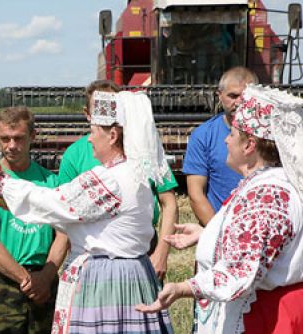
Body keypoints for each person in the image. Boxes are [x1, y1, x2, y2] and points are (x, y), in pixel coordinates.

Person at [0, 89, 174, 333]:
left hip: (107, 283)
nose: (89, 139)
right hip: (135, 276)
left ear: (113, 136)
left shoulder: (110, 180)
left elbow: (51, 203)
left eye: (94, 132)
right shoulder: (136, 173)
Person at [136, 85, 303, 333]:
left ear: (249, 146)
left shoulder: (268, 194)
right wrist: (208, 234)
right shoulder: (265, 186)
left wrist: (183, 288)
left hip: (262, 318)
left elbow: (240, 270)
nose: (226, 139)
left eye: (232, 134)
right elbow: (262, 244)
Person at [58, 80, 179, 280]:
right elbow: (65, 214)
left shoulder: (145, 151)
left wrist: (161, 254)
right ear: (87, 114)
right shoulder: (74, 155)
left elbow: (169, 203)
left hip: (141, 247)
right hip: (94, 252)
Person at [0, 106, 68, 333]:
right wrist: (27, 279)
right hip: (4, 281)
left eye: (19, 138)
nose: (11, 146)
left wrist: (46, 277)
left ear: (33, 136)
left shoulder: (51, 181)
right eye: (5, 139)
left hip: (45, 276)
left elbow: (63, 234)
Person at [183, 67, 258, 226]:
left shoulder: (270, 136)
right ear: (220, 96)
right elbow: (196, 194)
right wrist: (216, 234)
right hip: (221, 226)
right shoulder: (203, 136)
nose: (238, 102)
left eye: (245, 96)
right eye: (233, 96)